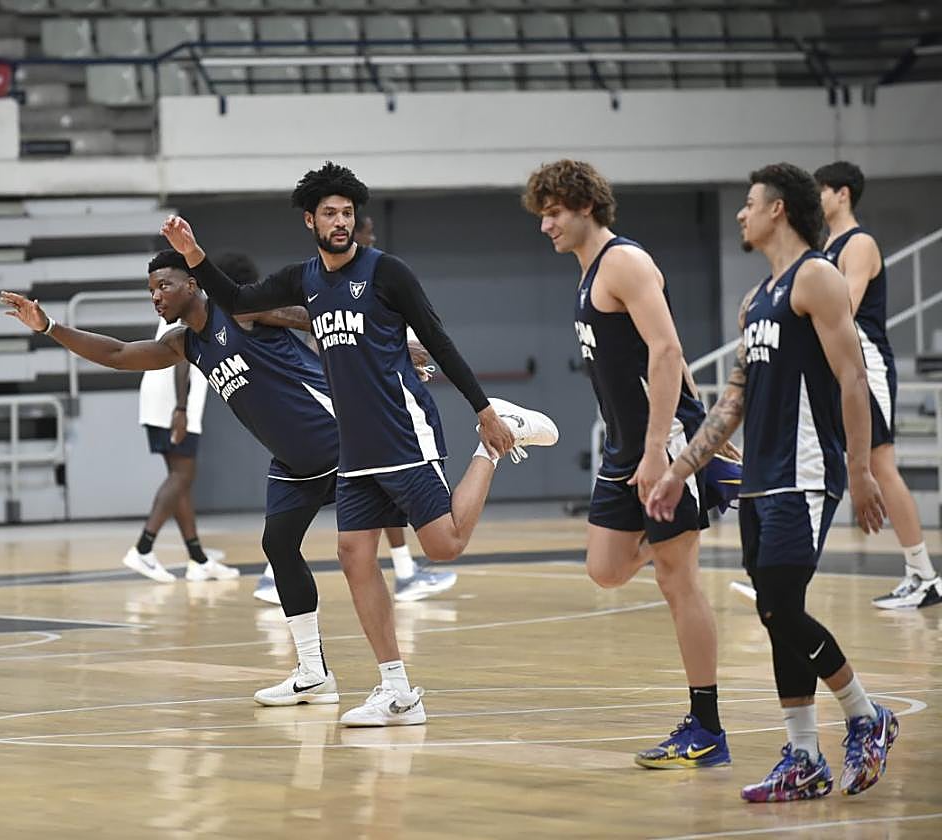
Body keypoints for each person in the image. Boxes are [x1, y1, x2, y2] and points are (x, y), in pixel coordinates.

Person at [161, 161, 559, 727]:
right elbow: (241, 300)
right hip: (355, 449)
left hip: (401, 432)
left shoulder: (387, 273)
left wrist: (483, 410)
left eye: (348, 213)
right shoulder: (304, 279)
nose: (341, 222)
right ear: (311, 221)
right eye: (330, 213)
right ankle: (397, 690)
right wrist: (194, 254)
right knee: (353, 557)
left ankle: (492, 449)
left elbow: (438, 340)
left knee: (444, 546)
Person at [647, 163, 897, 802]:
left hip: (806, 471)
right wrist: (680, 469)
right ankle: (804, 755)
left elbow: (852, 379)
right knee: (773, 612)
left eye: (750, 203)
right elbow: (734, 399)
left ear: (779, 209)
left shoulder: (818, 278)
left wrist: (863, 468)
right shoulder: (755, 300)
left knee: (781, 605)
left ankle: (866, 716)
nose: (741, 213)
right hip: (760, 477)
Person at [2, 251, 341, 706]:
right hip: (295, 463)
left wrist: (396, 351)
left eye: (164, 286)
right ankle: (314, 673)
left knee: (424, 534)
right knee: (279, 546)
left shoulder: (240, 310)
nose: (156, 297)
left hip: (342, 441)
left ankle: (393, 680)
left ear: (193, 284)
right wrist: (50, 327)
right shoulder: (184, 343)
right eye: (150, 291)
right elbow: (119, 354)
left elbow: (317, 318)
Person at [522, 159, 736, 769]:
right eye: (542, 215)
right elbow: (663, 350)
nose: (546, 226)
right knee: (606, 569)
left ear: (585, 205)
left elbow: (667, 350)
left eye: (554, 213)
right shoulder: (589, 272)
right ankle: (695, 517)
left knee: (677, 579)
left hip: (657, 442)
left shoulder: (624, 262)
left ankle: (707, 727)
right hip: (626, 445)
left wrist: (670, 447)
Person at [253, 216, 458, 606]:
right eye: (369, 232)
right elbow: (281, 315)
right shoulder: (323, 283)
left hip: (354, 405)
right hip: (338, 407)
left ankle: (404, 571)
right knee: (376, 482)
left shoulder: (374, 284)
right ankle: (403, 571)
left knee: (374, 488)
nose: (373, 239)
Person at [816, 160, 941, 610]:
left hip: (865, 362)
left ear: (842, 193)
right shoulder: (826, 246)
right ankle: (786, 575)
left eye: (821, 191)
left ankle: (923, 575)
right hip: (837, 363)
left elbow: (843, 306)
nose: (817, 200)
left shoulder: (859, 243)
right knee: (832, 460)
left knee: (881, 464)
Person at [121, 303, 235, 583]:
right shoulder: (198, 300)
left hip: (162, 398)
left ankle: (198, 559)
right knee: (182, 476)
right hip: (172, 401)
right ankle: (143, 549)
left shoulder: (191, 296)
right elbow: (182, 355)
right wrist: (181, 408)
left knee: (180, 479)